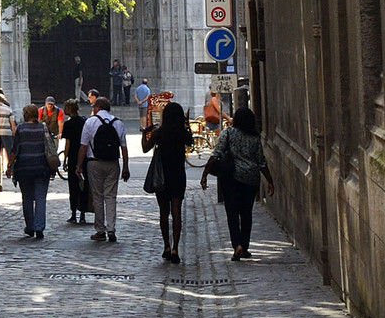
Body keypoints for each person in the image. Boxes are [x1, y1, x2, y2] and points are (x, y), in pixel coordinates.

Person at [201, 95, 273, 258]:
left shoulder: (229, 133)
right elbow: (261, 162)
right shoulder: (255, 138)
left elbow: (216, 153)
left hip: (232, 178)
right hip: (251, 179)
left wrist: (205, 174)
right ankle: (245, 246)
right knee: (246, 213)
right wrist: (270, 181)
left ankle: (237, 245)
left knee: (232, 213)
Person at [142, 98, 194, 262]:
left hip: (162, 175)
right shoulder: (181, 133)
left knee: (164, 212)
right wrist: (186, 124)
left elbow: (145, 148)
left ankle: (166, 245)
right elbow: (191, 143)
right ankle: (175, 248)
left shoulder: (159, 132)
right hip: (177, 174)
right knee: (176, 210)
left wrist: (145, 132)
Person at [80, 92, 130, 241]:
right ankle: (111, 229)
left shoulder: (90, 122)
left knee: (97, 196)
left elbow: (83, 147)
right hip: (113, 163)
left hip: (94, 162)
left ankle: (100, 230)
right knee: (110, 196)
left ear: (98, 107)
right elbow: (124, 147)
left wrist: (78, 165)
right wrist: (126, 167)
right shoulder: (118, 123)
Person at [6, 102, 58, 238]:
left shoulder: (21, 129)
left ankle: (30, 226)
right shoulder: (43, 128)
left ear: (25, 115)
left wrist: (9, 165)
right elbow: (50, 147)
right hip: (41, 167)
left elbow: (15, 150)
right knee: (41, 198)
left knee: (27, 198)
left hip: (24, 168)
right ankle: (39, 227)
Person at [61, 98, 90, 225]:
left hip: (73, 156)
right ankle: (82, 213)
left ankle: (73, 213)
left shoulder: (68, 125)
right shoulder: (84, 122)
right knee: (83, 185)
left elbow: (67, 144)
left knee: (72, 186)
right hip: (84, 157)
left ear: (69, 109)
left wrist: (65, 159)